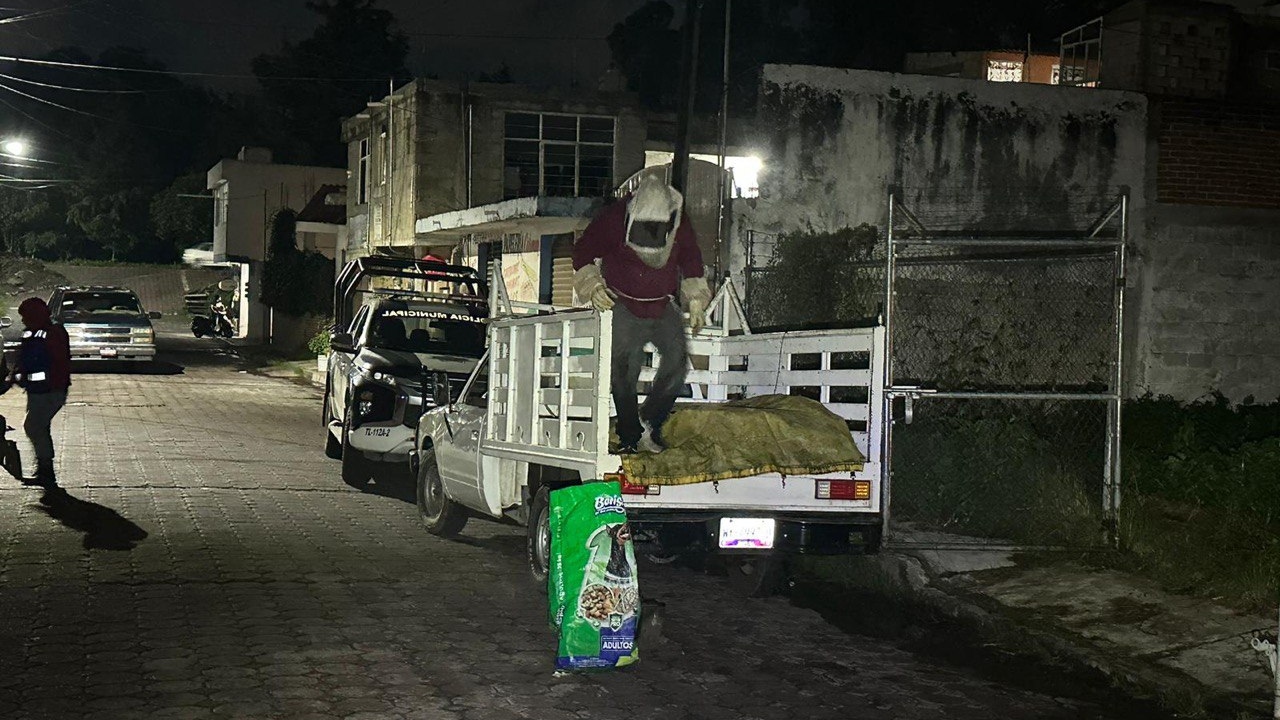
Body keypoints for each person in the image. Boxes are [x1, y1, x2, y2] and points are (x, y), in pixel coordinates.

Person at [572, 174, 711, 454]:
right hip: (622, 302)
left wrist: (696, 299)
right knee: (623, 370)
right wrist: (593, 286)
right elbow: (582, 252)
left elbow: (691, 257)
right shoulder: (613, 219)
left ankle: (650, 421)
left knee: (677, 361)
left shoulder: (678, 221)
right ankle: (630, 435)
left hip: (662, 302)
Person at [7, 298, 72, 488]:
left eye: (26, 316)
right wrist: (15, 377)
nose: (24, 320)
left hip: (50, 390)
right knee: (40, 427)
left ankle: (46, 470)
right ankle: (44, 471)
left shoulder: (54, 333)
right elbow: (23, 358)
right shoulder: (31, 333)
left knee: (34, 426)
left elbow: (57, 362)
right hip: (37, 391)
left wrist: (22, 377)